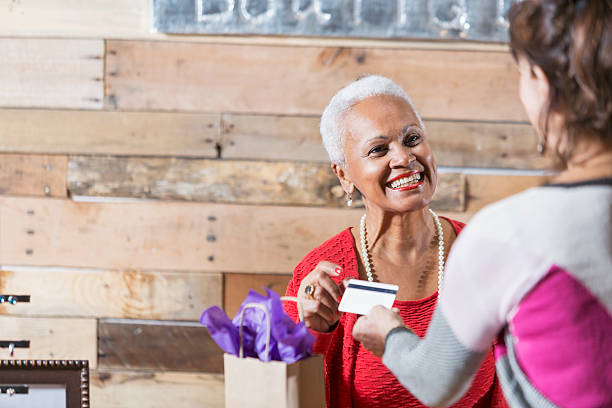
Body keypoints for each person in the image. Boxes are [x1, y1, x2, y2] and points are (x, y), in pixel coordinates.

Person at [352, 1, 612, 407]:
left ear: (543, 85)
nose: (402, 158)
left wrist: (391, 336)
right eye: (379, 148)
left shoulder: (507, 235)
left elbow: (436, 381)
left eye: (522, 74)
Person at [283, 75, 507, 407]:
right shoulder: (320, 277)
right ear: (344, 174)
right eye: (378, 149)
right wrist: (315, 332)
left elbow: (517, 386)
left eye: (412, 138)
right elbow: (289, 393)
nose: (403, 157)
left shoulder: (484, 255)